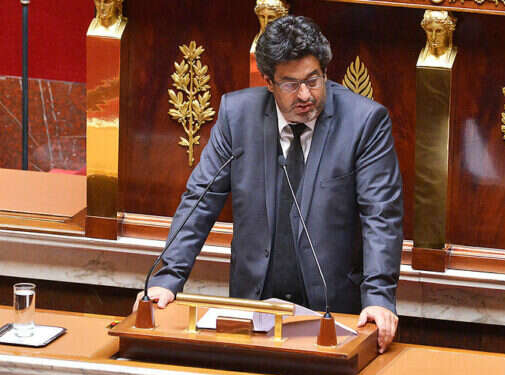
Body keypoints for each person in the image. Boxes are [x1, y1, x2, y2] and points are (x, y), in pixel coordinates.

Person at [134, 15, 403, 353]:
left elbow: (381, 215)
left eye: (313, 80)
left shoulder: (364, 122)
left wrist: (379, 297)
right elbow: (200, 200)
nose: (305, 95)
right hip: (253, 305)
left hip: (333, 310)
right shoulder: (237, 116)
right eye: (290, 84)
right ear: (269, 82)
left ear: (324, 71)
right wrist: (166, 278)